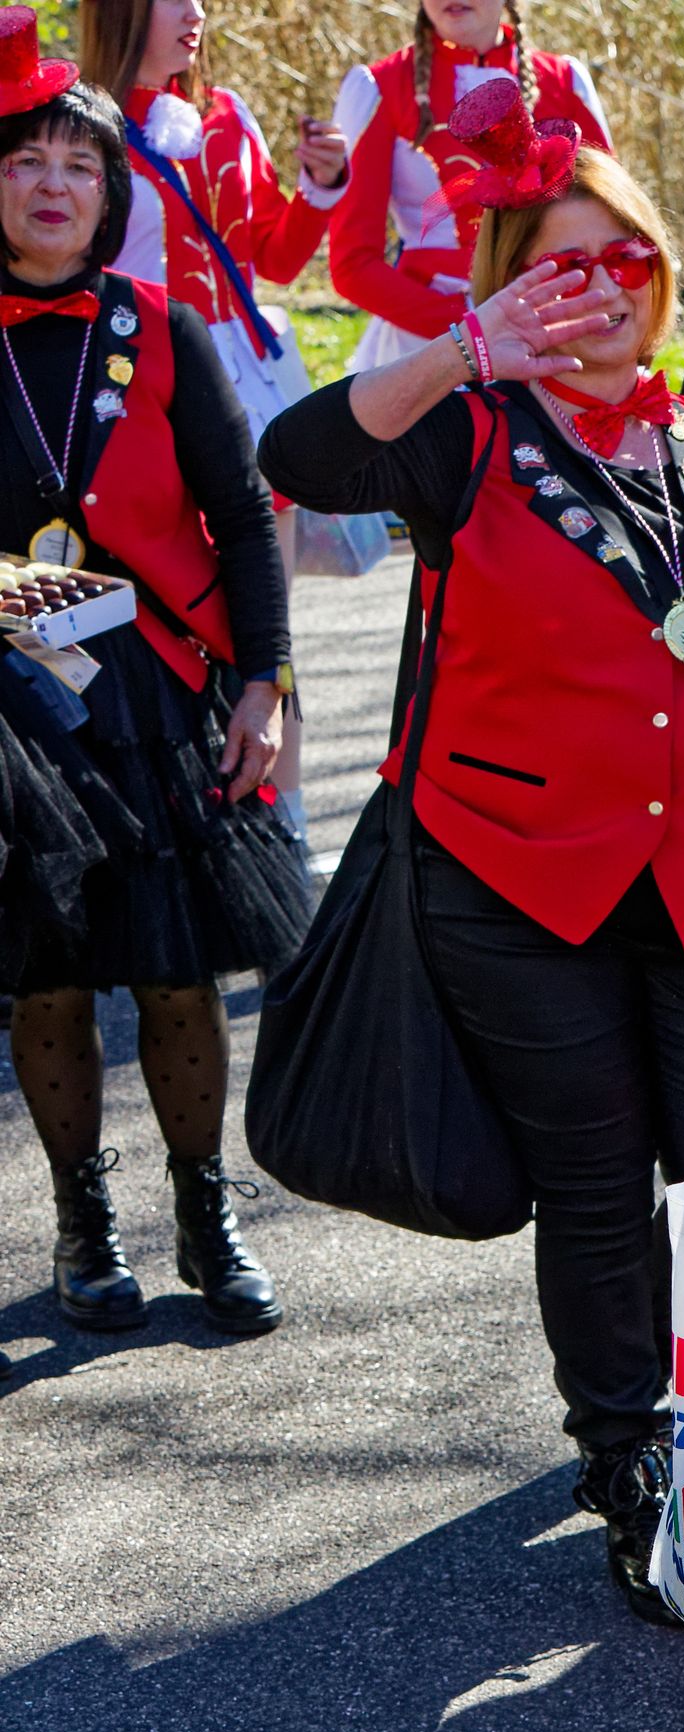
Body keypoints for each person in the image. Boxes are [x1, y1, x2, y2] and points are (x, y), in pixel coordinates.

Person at [260, 93, 684, 1624]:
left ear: (665, 276)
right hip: (511, 872)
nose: (598, 289)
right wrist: (469, 348)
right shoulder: (458, 429)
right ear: (509, 281)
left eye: (627, 260)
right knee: (598, 1186)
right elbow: (302, 455)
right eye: (558, 265)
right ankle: (629, 1464)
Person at [0, 38, 308, 1341]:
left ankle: (206, 1215)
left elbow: (242, 518)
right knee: (48, 981)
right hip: (12, 703)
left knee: (181, 978)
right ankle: (85, 1225)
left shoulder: (164, 331)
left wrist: (262, 685)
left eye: (81, 162)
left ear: (113, 194)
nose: (54, 183)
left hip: (166, 691)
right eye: (25, 159)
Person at [79, 0, 351, 838]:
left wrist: (321, 187)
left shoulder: (227, 115)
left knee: (267, 625)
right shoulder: (81, 126)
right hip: (130, 395)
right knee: (148, 618)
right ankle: (144, 824)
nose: (196, 12)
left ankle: (286, 823)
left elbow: (273, 255)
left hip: (248, 385)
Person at [326, 0, 607, 373]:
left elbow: (611, 226)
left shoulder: (564, 81)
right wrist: (472, 333)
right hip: (428, 349)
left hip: (557, 337)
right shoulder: (379, 88)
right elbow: (353, 266)